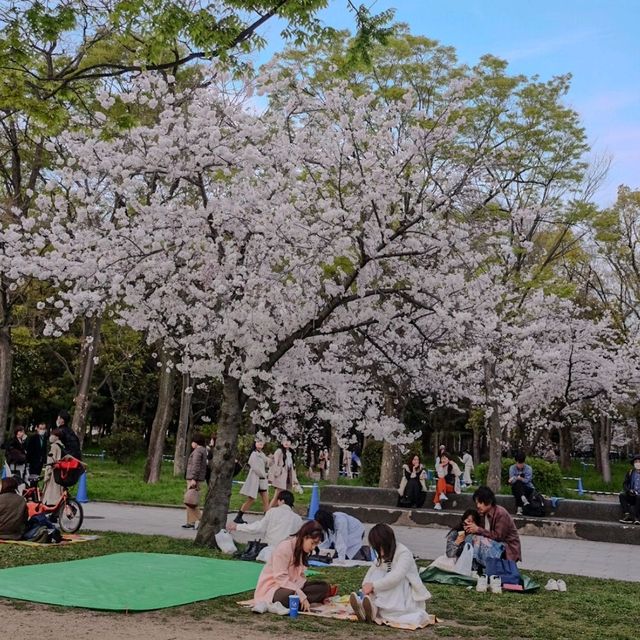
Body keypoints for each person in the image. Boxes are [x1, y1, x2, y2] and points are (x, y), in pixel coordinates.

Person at [350, 523, 431, 626]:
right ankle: (370, 607)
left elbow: (396, 577)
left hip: (403, 595)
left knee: (393, 579)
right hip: (385, 591)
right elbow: (370, 573)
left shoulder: (404, 553)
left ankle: (374, 609)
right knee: (378, 573)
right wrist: (366, 587)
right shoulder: (380, 557)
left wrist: (373, 586)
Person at [253, 521, 331, 611]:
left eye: (316, 544)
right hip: (275, 588)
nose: (313, 547)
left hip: (293, 585)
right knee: (289, 595)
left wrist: (300, 591)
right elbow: (280, 578)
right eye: (312, 543)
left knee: (323, 587)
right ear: (305, 537)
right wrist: (301, 595)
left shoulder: (302, 550)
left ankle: (297, 602)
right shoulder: (284, 548)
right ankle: (297, 602)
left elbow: (300, 577)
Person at [228, 489, 303, 561]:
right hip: (289, 553)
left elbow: (258, 528)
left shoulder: (272, 512)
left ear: (282, 501)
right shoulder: (298, 519)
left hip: (270, 551)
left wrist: (238, 526)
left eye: (278, 500)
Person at [465, 486, 521, 562]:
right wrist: (470, 527)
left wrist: (478, 529)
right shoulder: (482, 513)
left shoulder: (500, 513)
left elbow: (498, 537)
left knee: (478, 539)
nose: (478, 506)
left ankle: (481, 566)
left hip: (507, 550)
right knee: (470, 537)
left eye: (480, 503)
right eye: (477, 503)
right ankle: (474, 565)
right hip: (493, 546)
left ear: (489, 501)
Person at [233, 436, 270, 524]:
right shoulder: (253, 454)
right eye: (258, 442)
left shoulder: (261, 454)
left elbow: (267, 461)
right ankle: (239, 517)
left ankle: (267, 519)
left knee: (265, 499)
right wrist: (264, 474)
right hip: (255, 480)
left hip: (261, 481)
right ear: (255, 443)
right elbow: (255, 467)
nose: (260, 443)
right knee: (251, 499)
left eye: (262, 442)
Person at [182, 432, 208, 529]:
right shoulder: (203, 450)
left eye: (192, 442)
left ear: (196, 442)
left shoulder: (197, 451)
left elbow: (196, 466)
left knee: (190, 501)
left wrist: (193, 478)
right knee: (191, 501)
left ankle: (202, 521)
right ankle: (191, 522)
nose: (191, 444)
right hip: (197, 478)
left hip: (194, 479)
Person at [268, 439, 298, 508]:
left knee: (286, 498)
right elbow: (274, 464)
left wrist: (294, 479)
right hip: (280, 477)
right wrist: (273, 476)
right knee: (277, 496)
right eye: (284, 441)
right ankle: (268, 512)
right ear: (281, 442)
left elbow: (291, 467)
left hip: (288, 478)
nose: (286, 443)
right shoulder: (279, 451)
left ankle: (281, 513)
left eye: (288, 441)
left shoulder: (290, 452)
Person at [42, 428, 66, 507]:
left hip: (53, 473)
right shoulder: (62, 446)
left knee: (50, 496)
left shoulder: (54, 447)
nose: (50, 437)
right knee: (58, 495)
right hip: (61, 472)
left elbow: (50, 462)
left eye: (52, 435)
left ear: (57, 437)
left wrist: (47, 475)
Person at [619, 453, 640, 524]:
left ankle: (637, 517)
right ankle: (627, 515)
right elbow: (625, 484)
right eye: (636, 462)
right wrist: (629, 490)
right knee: (622, 495)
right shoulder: (630, 472)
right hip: (632, 495)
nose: (637, 463)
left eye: (639, 462)